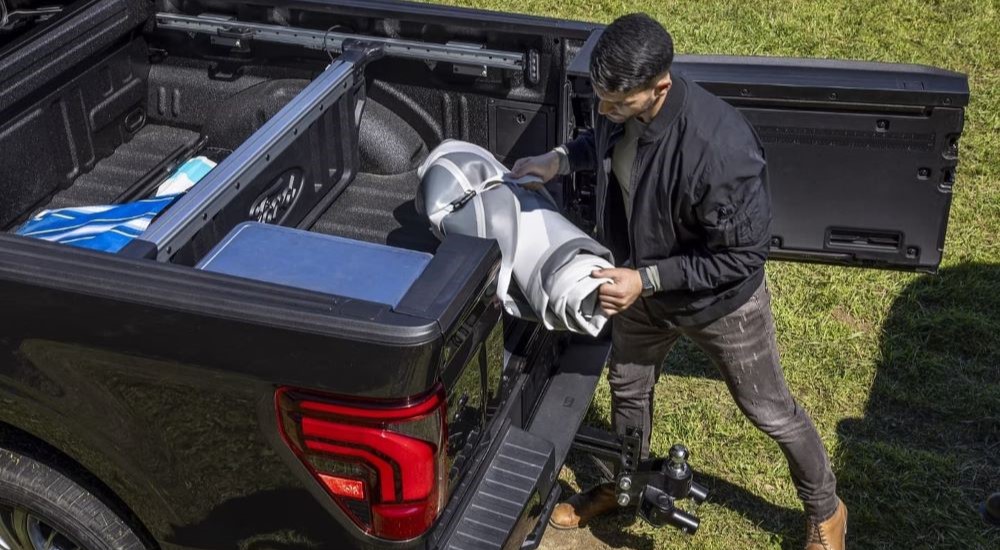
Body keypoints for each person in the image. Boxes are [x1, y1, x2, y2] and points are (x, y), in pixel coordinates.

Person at [510, 13, 847, 550]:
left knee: (770, 411)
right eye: (601, 98)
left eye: (617, 103)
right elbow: (599, 139)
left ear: (660, 87)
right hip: (640, 289)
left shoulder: (722, 150)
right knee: (628, 392)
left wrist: (646, 278)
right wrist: (559, 159)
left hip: (719, 306)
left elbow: (742, 256)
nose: (604, 111)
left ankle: (826, 511)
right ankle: (626, 487)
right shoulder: (618, 105)